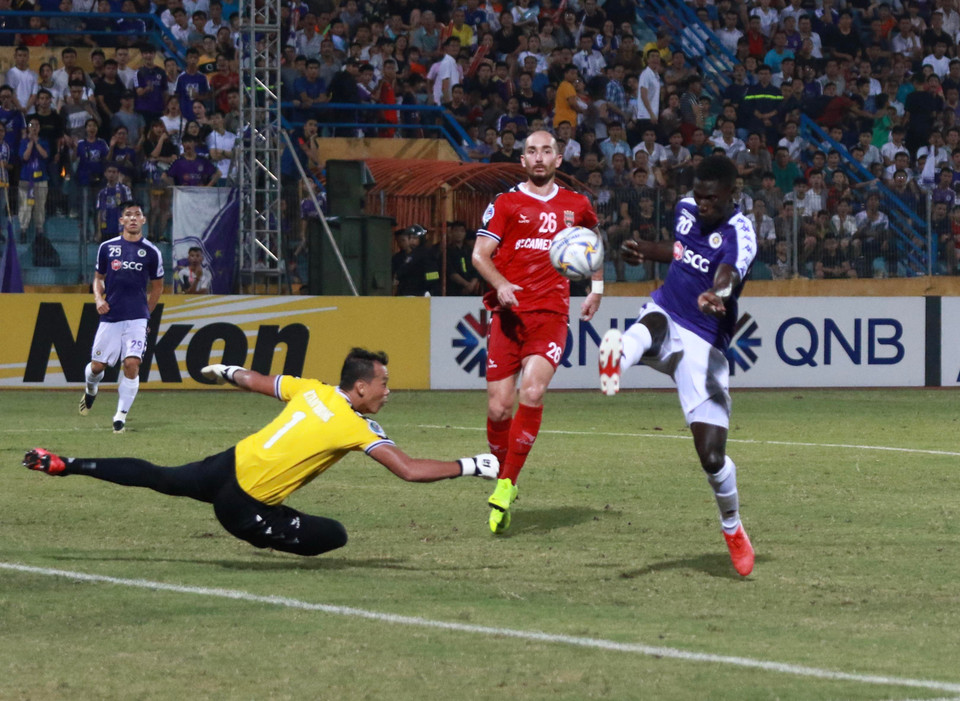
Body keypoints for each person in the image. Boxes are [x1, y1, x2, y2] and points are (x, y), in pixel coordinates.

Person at [26, 349, 500, 557]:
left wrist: (224, 369)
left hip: (225, 464)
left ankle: (68, 464)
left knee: (161, 476)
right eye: (384, 384)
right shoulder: (353, 424)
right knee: (334, 536)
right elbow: (411, 471)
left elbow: (255, 381)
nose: (388, 391)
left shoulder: (312, 389)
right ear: (360, 387)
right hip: (242, 504)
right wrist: (472, 466)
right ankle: (261, 536)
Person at [596, 155, 756, 577]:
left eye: (711, 199)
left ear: (730, 195)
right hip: (670, 312)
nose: (701, 204)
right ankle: (618, 357)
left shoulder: (741, 231)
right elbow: (684, 252)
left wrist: (717, 294)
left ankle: (732, 527)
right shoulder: (685, 207)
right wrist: (647, 251)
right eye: (698, 195)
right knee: (652, 323)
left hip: (706, 345)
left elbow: (727, 272)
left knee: (711, 456)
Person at [472, 129, 604, 534]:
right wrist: (501, 284)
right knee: (499, 408)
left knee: (532, 391)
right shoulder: (506, 203)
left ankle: (508, 484)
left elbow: (592, 244)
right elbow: (480, 255)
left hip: (550, 314)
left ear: (558, 160)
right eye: (532, 151)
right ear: (523, 160)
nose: (540, 157)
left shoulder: (576, 204)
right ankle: (503, 477)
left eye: (547, 151)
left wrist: (596, 288)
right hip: (508, 316)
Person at [79, 200, 163, 433]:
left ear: (143, 220)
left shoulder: (152, 252)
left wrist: (146, 315)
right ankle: (91, 389)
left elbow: (157, 287)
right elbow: (98, 278)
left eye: (138, 214)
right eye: (129, 214)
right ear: (121, 220)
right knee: (97, 367)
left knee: (132, 364)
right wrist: (99, 299)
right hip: (112, 316)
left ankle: (120, 417)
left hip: (136, 317)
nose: (134, 218)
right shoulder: (107, 247)